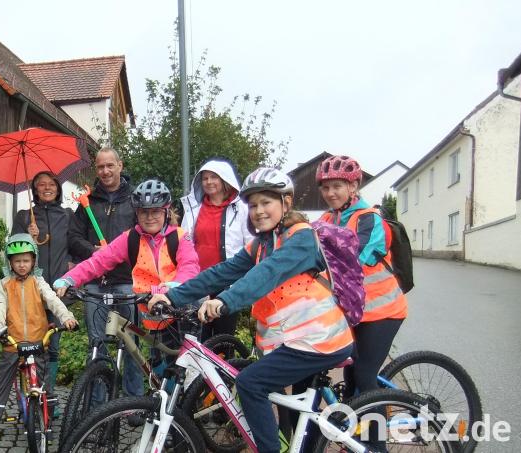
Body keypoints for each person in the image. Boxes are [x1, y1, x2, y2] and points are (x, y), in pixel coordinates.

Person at [148, 167, 354, 453]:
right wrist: (174, 296)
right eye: (253, 205)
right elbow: (222, 271)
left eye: (266, 202)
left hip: (319, 340)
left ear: (286, 202)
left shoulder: (301, 238)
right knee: (295, 417)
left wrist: (225, 301)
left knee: (250, 383)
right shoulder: (262, 243)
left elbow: (268, 273)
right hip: (297, 340)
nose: (258, 211)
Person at [55, 179, 200, 373]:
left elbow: (190, 267)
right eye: (143, 212)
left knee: (185, 371)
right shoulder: (130, 238)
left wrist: (174, 287)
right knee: (159, 371)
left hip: (181, 308)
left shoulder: (180, 237)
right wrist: (70, 278)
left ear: (166, 212)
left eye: (155, 211)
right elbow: (99, 261)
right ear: (136, 213)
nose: (149, 217)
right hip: (153, 311)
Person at [316, 155, 407, 397]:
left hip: (383, 312)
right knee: (349, 372)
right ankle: (353, 428)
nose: (330, 193)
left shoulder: (368, 219)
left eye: (337, 186)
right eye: (326, 187)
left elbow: (351, 261)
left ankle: (376, 432)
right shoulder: (327, 218)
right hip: (353, 311)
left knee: (364, 375)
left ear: (353, 186)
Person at [0, 233, 78, 449]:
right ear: (10, 262)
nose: (22, 265)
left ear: (34, 261)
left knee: (43, 385)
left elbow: (53, 301)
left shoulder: (39, 282)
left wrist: (67, 317)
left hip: (37, 342)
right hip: (12, 344)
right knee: (0, 386)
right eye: (17, 261)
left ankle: (46, 422)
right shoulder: (4, 284)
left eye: (26, 260)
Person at [67, 147, 143, 397]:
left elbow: (144, 239)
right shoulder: (88, 203)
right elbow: (73, 237)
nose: (105, 171)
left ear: (120, 165)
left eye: (110, 165)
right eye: (100, 167)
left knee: (131, 342)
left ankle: (134, 400)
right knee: (97, 344)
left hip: (127, 282)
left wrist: (119, 252)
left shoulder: (135, 200)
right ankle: (98, 404)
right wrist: (95, 252)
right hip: (95, 284)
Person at [11, 171, 74, 406]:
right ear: (34, 190)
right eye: (41, 185)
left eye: (51, 184)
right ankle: (31, 393)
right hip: (31, 291)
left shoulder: (67, 215)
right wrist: (27, 236)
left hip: (59, 292)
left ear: (58, 188)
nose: (46, 188)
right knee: (32, 344)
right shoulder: (24, 216)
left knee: (53, 345)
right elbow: (14, 250)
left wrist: (72, 267)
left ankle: (49, 395)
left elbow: (75, 245)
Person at [179, 158, 253, 341]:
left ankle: (223, 369)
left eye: (214, 177)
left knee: (223, 337)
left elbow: (251, 243)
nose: (209, 182)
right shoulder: (194, 209)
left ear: (224, 180)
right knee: (198, 337)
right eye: (205, 178)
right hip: (200, 282)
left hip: (228, 283)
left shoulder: (241, 210)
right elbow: (184, 242)